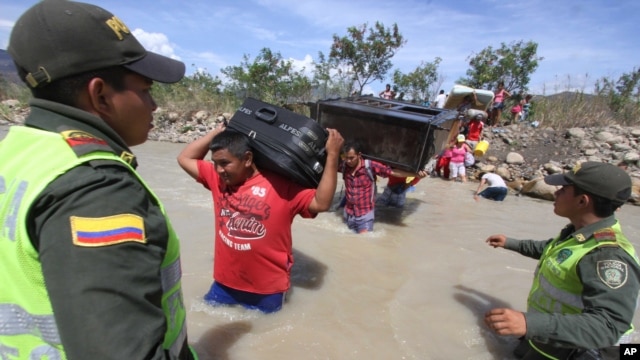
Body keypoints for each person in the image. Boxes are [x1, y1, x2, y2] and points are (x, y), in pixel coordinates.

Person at [0, 1, 198, 359]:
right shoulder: (98, 189)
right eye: (146, 90)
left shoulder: (19, 150)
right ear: (100, 95)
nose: (154, 106)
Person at [177, 126, 344, 313]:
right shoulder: (218, 180)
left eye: (224, 163)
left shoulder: (281, 186)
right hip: (225, 284)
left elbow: (321, 203)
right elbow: (184, 158)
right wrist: (215, 134)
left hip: (268, 289)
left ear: (247, 159)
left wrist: (332, 156)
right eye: (214, 163)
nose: (219, 170)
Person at [484, 161, 639, 360]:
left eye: (564, 189)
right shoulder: (578, 234)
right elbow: (552, 250)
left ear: (582, 201)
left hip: (575, 350)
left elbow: (608, 326)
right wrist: (510, 243)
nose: (556, 193)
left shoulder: (607, 255)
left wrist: (530, 324)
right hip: (548, 337)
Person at [340, 141, 427, 233]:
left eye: (351, 158)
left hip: (364, 215)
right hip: (348, 214)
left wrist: (416, 175)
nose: (348, 161)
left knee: (364, 241)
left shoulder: (369, 166)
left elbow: (392, 172)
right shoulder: (344, 166)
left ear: (359, 155)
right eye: (346, 158)